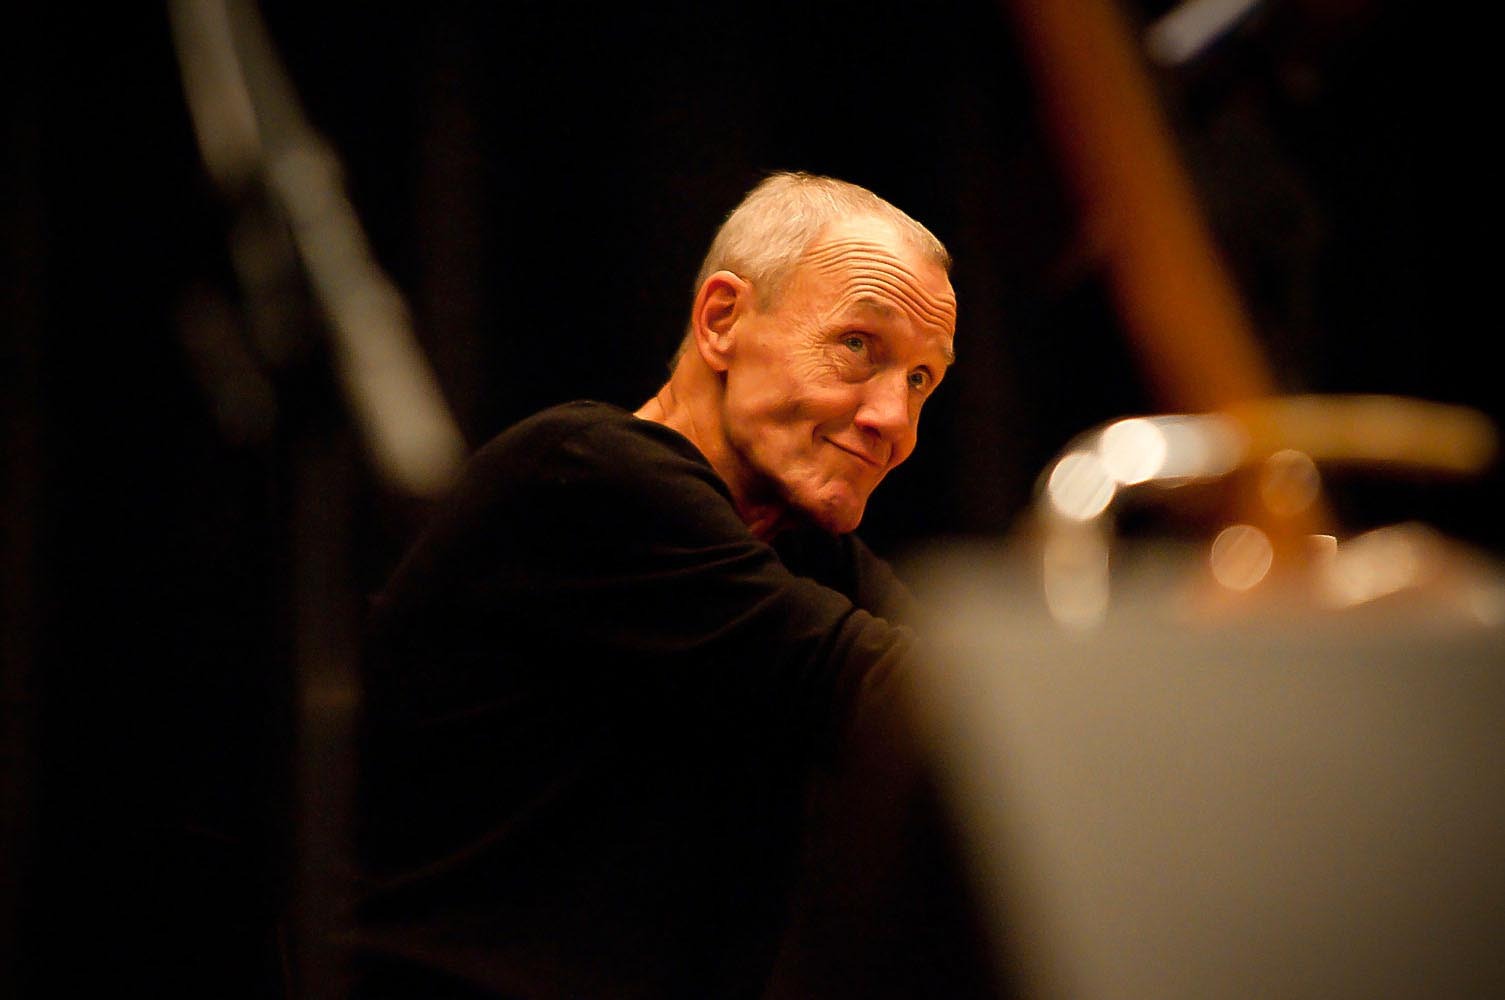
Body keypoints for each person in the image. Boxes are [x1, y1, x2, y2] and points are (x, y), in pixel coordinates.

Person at [349, 172, 986, 998]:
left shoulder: (802, 546)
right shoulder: (587, 475)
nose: (892, 422)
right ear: (721, 320)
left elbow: (979, 704)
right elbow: (899, 692)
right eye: (858, 346)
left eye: (920, 380)